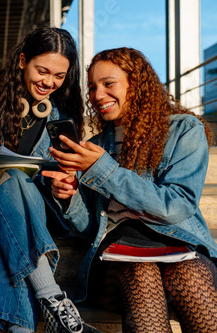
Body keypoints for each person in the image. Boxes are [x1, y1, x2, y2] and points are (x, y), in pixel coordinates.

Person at [0, 25, 100, 333]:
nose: (49, 82)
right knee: (12, 175)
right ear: (23, 61)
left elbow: (68, 190)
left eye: (59, 76)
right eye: (43, 70)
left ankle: (21, 328)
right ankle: (51, 295)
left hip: (26, 217)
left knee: (14, 199)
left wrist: (63, 189)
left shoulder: (58, 118)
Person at [46, 47, 217, 332]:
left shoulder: (184, 130)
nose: (97, 95)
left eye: (108, 84)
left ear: (136, 84)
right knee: (139, 272)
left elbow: (176, 206)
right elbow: (89, 228)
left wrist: (102, 169)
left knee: (188, 274)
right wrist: (70, 196)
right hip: (117, 261)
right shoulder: (98, 146)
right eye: (92, 87)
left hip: (178, 248)